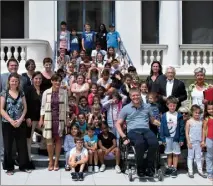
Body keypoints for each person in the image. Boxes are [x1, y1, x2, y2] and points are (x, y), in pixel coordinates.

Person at [115, 88, 160, 177]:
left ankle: (149, 167)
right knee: (140, 143)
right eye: (133, 95)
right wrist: (124, 136)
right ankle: (140, 168)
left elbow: (153, 121)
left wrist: (163, 125)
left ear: (140, 95)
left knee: (154, 143)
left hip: (146, 130)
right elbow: (117, 124)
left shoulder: (147, 107)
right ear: (130, 97)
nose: (136, 97)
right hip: (133, 131)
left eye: (137, 95)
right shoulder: (126, 108)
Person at [0, 73, 31, 175]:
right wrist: (11, 120)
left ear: (18, 82)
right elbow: (1, 109)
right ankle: (9, 168)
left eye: (16, 81)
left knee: (22, 145)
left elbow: (25, 108)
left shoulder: (21, 93)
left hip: (20, 123)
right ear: (9, 81)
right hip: (7, 123)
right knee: (8, 146)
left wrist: (20, 119)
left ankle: (23, 166)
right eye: (12, 81)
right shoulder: (4, 93)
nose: (14, 83)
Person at [39, 73, 69, 171]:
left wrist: (67, 119)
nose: (57, 82)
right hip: (49, 118)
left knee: (58, 140)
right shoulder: (46, 92)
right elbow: (43, 107)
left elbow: (67, 106)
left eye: (59, 81)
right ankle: (51, 161)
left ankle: (56, 162)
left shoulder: (64, 92)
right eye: (55, 80)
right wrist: (41, 119)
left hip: (60, 119)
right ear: (51, 81)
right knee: (49, 141)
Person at [0, 58, 28, 160]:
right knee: (5, 140)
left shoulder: (23, 79)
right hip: (5, 116)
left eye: (15, 65)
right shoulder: (2, 77)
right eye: (11, 65)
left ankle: (16, 158)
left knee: (19, 141)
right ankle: (5, 158)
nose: (13, 67)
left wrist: (22, 117)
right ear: (8, 66)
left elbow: (25, 98)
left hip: (19, 117)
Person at [160, 96, 185, 178]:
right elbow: (162, 128)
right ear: (167, 105)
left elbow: (181, 128)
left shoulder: (179, 115)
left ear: (176, 105)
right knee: (169, 154)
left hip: (176, 138)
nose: (172, 107)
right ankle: (169, 167)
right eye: (170, 105)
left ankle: (174, 169)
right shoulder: (164, 115)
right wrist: (162, 139)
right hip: (167, 138)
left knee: (175, 154)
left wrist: (181, 139)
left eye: (174, 105)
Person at [25, 71, 43, 168]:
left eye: (40, 78)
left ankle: (43, 149)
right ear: (32, 79)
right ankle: (28, 160)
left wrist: (42, 118)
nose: (38, 80)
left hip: (40, 118)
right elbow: (25, 104)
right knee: (28, 140)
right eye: (36, 78)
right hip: (31, 119)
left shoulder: (43, 90)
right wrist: (27, 117)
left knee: (48, 134)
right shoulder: (28, 89)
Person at [185, 105, 206, 178]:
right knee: (190, 157)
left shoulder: (201, 122)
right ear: (192, 112)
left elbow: (203, 131)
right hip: (191, 142)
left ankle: (200, 170)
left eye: (198, 113)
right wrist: (188, 142)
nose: (197, 114)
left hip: (199, 142)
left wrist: (203, 140)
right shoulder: (189, 121)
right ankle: (190, 171)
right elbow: (187, 133)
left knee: (198, 157)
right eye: (195, 112)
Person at [202, 101, 213, 181]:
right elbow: (204, 130)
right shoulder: (206, 118)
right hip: (209, 139)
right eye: (209, 109)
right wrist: (203, 140)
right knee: (209, 156)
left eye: (212, 109)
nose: (211, 110)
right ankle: (210, 172)